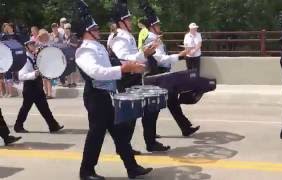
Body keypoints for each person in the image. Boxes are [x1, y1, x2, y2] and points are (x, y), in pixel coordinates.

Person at [72, 1, 152, 179]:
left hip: (107, 95)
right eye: (94, 27)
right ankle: (86, 171)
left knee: (120, 133)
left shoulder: (98, 46)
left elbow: (115, 62)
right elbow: (96, 72)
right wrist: (123, 69)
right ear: (87, 31)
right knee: (96, 135)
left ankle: (132, 168)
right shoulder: (84, 50)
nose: (98, 29)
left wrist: (134, 63)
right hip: (95, 97)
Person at [109, 0, 171, 153]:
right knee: (129, 116)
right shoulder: (119, 37)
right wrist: (145, 53)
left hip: (135, 77)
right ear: (120, 22)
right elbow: (124, 58)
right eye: (128, 19)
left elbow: (132, 55)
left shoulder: (126, 35)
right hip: (126, 78)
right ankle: (124, 147)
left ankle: (148, 142)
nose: (131, 21)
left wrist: (145, 51)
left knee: (149, 109)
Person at [140, 0, 200, 137]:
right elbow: (160, 59)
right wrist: (179, 56)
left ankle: (185, 128)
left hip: (162, 74)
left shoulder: (155, 38)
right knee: (155, 107)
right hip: (156, 75)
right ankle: (151, 135)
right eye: (157, 24)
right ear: (152, 27)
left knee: (172, 102)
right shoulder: (151, 39)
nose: (160, 26)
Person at [13, 39, 64, 133]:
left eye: (33, 44)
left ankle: (53, 126)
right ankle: (18, 126)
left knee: (44, 107)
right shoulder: (26, 59)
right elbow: (21, 76)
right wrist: (35, 74)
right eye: (31, 45)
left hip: (37, 86)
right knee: (25, 108)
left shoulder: (35, 57)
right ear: (27, 47)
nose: (33, 46)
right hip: (30, 87)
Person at [37, 29, 54, 99]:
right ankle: (46, 93)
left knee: (48, 79)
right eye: (42, 36)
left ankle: (50, 94)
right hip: (42, 64)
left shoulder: (49, 44)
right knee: (44, 79)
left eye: (44, 35)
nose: (44, 37)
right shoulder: (39, 44)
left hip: (48, 63)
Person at [63, 23, 79, 88]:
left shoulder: (73, 36)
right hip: (66, 55)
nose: (67, 30)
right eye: (65, 29)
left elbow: (76, 45)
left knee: (73, 70)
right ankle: (69, 83)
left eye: (68, 28)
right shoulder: (63, 36)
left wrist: (70, 43)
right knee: (67, 70)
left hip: (72, 54)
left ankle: (74, 82)